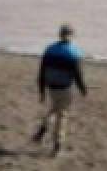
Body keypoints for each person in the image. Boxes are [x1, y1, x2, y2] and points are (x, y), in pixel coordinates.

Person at [33, 24, 87, 156]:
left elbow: (41, 72)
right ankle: (58, 145)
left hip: (51, 86)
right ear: (72, 35)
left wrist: (41, 91)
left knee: (55, 107)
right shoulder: (74, 52)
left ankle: (43, 128)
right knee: (62, 115)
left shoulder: (49, 49)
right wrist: (83, 89)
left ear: (59, 34)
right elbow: (77, 75)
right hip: (65, 87)